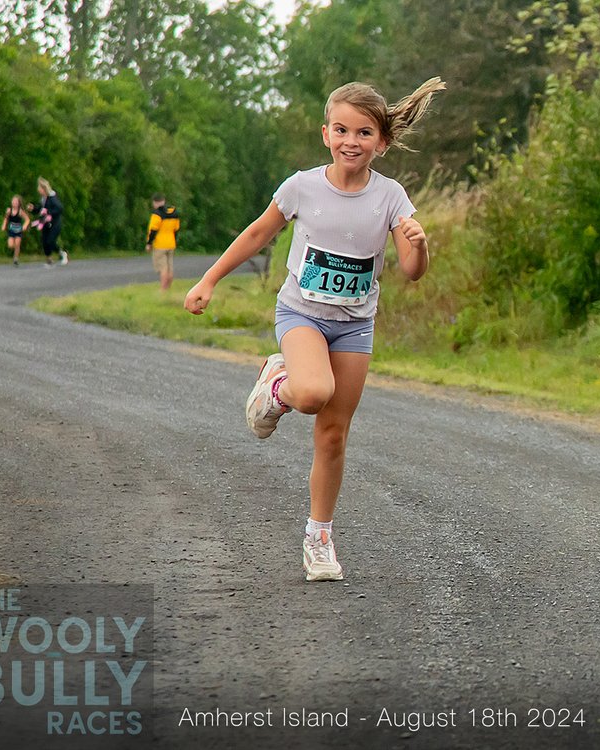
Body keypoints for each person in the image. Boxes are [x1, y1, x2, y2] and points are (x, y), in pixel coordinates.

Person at [184, 77, 445, 582]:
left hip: (354, 327)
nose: (352, 141)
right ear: (325, 133)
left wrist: (420, 243)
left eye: (365, 132)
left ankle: (319, 539)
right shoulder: (302, 186)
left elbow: (413, 270)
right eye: (342, 129)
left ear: (382, 143)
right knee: (311, 394)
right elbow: (259, 232)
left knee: (332, 437)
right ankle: (278, 383)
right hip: (301, 315)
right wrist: (209, 279)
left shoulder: (391, 197)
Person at [145, 194, 181, 292]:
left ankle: (163, 289)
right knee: (170, 268)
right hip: (171, 243)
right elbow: (176, 229)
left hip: (160, 244)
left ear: (155, 202)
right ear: (164, 201)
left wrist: (149, 243)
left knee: (163, 268)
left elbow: (153, 230)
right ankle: (168, 288)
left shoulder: (157, 214)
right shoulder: (174, 213)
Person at [36, 177, 66, 266]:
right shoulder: (43, 199)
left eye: (39, 188)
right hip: (46, 223)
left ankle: (62, 253)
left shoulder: (52, 197)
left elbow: (59, 208)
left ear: (44, 189)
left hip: (55, 223)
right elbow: (40, 209)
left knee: (50, 241)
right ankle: (49, 259)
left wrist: (49, 212)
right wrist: (33, 208)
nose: (38, 190)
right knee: (44, 241)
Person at [3, 195, 31, 266]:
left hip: (19, 230)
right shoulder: (9, 210)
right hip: (11, 230)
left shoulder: (20, 211)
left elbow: (27, 219)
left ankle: (15, 258)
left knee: (17, 244)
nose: (14, 203)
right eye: (13, 201)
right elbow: (6, 219)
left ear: (19, 203)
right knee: (10, 245)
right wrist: (4, 225)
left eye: (16, 202)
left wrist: (25, 226)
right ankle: (15, 253)